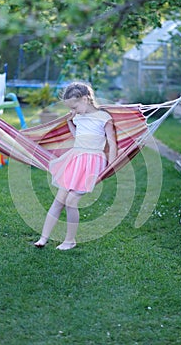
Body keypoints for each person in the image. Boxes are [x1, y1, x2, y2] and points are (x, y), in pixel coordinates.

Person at [34, 82, 117, 250]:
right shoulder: (78, 117)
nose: (73, 110)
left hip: (92, 161)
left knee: (71, 201)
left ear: (86, 99)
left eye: (75, 106)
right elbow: (76, 135)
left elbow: (112, 143)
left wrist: (113, 165)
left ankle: (70, 240)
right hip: (75, 159)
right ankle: (43, 238)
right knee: (59, 200)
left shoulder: (104, 117)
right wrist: (71, 122)